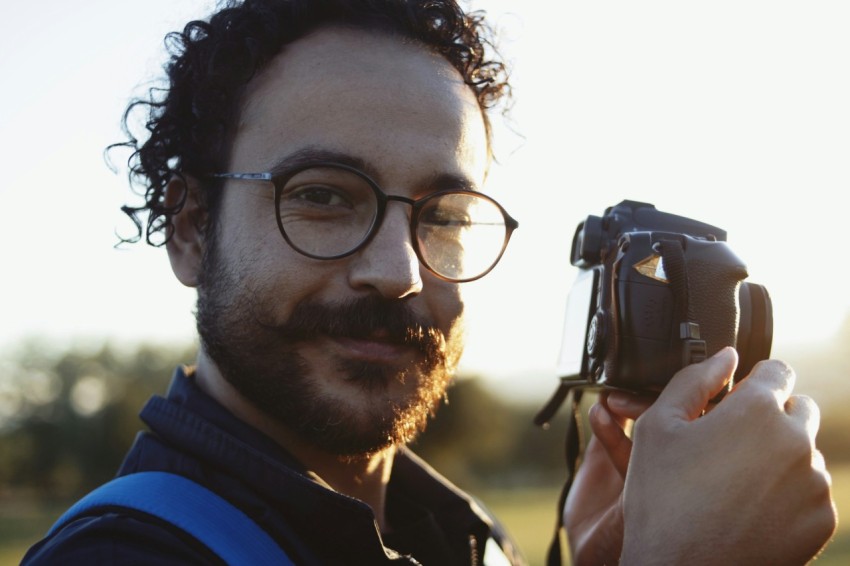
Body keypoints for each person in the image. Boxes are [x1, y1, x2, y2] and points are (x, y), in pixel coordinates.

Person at [23, 0, 836, 564]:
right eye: (323, 197)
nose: (398, 270)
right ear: (192, 229)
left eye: (444, 215)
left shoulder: (458, 536)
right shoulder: (121, 555)